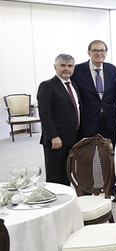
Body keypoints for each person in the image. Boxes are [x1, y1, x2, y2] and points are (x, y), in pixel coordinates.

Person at [71, 39, 116, 193]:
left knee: (108, 155)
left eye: (102, 50)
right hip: (88, 120)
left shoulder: (112, 69)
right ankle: (87, 189)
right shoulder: (78, 70)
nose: (99, 53)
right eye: (95, 50)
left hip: (109, 119)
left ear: (106, 53)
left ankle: (110, 188)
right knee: (86, 156)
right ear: (89, 52)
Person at [37, 54, 80, 185]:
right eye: (63, 65)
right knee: (54, 175)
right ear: (55, 67)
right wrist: (53, 136)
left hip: (71, 138)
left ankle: (65, 197)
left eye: (70, 66)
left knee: (67, 173)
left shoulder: (73, 85)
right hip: (56, 140)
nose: (66, 68)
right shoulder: (47, 85)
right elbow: (45, 114)